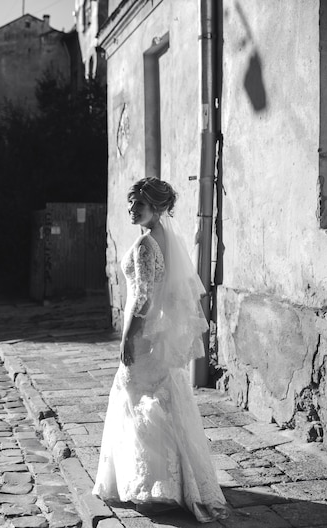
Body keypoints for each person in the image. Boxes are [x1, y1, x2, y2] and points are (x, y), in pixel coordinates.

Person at [92, 178, 229, 523]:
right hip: (158, 332)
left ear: (157, 208)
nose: (132, 210)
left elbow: (143, 297)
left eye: (139, 205)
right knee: (164, 400)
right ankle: (179, 481)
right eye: (131, 204)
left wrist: (127, 337)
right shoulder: (169, 239)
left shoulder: (145, 243)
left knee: (135, 401)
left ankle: (151, 483)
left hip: (142, 332)